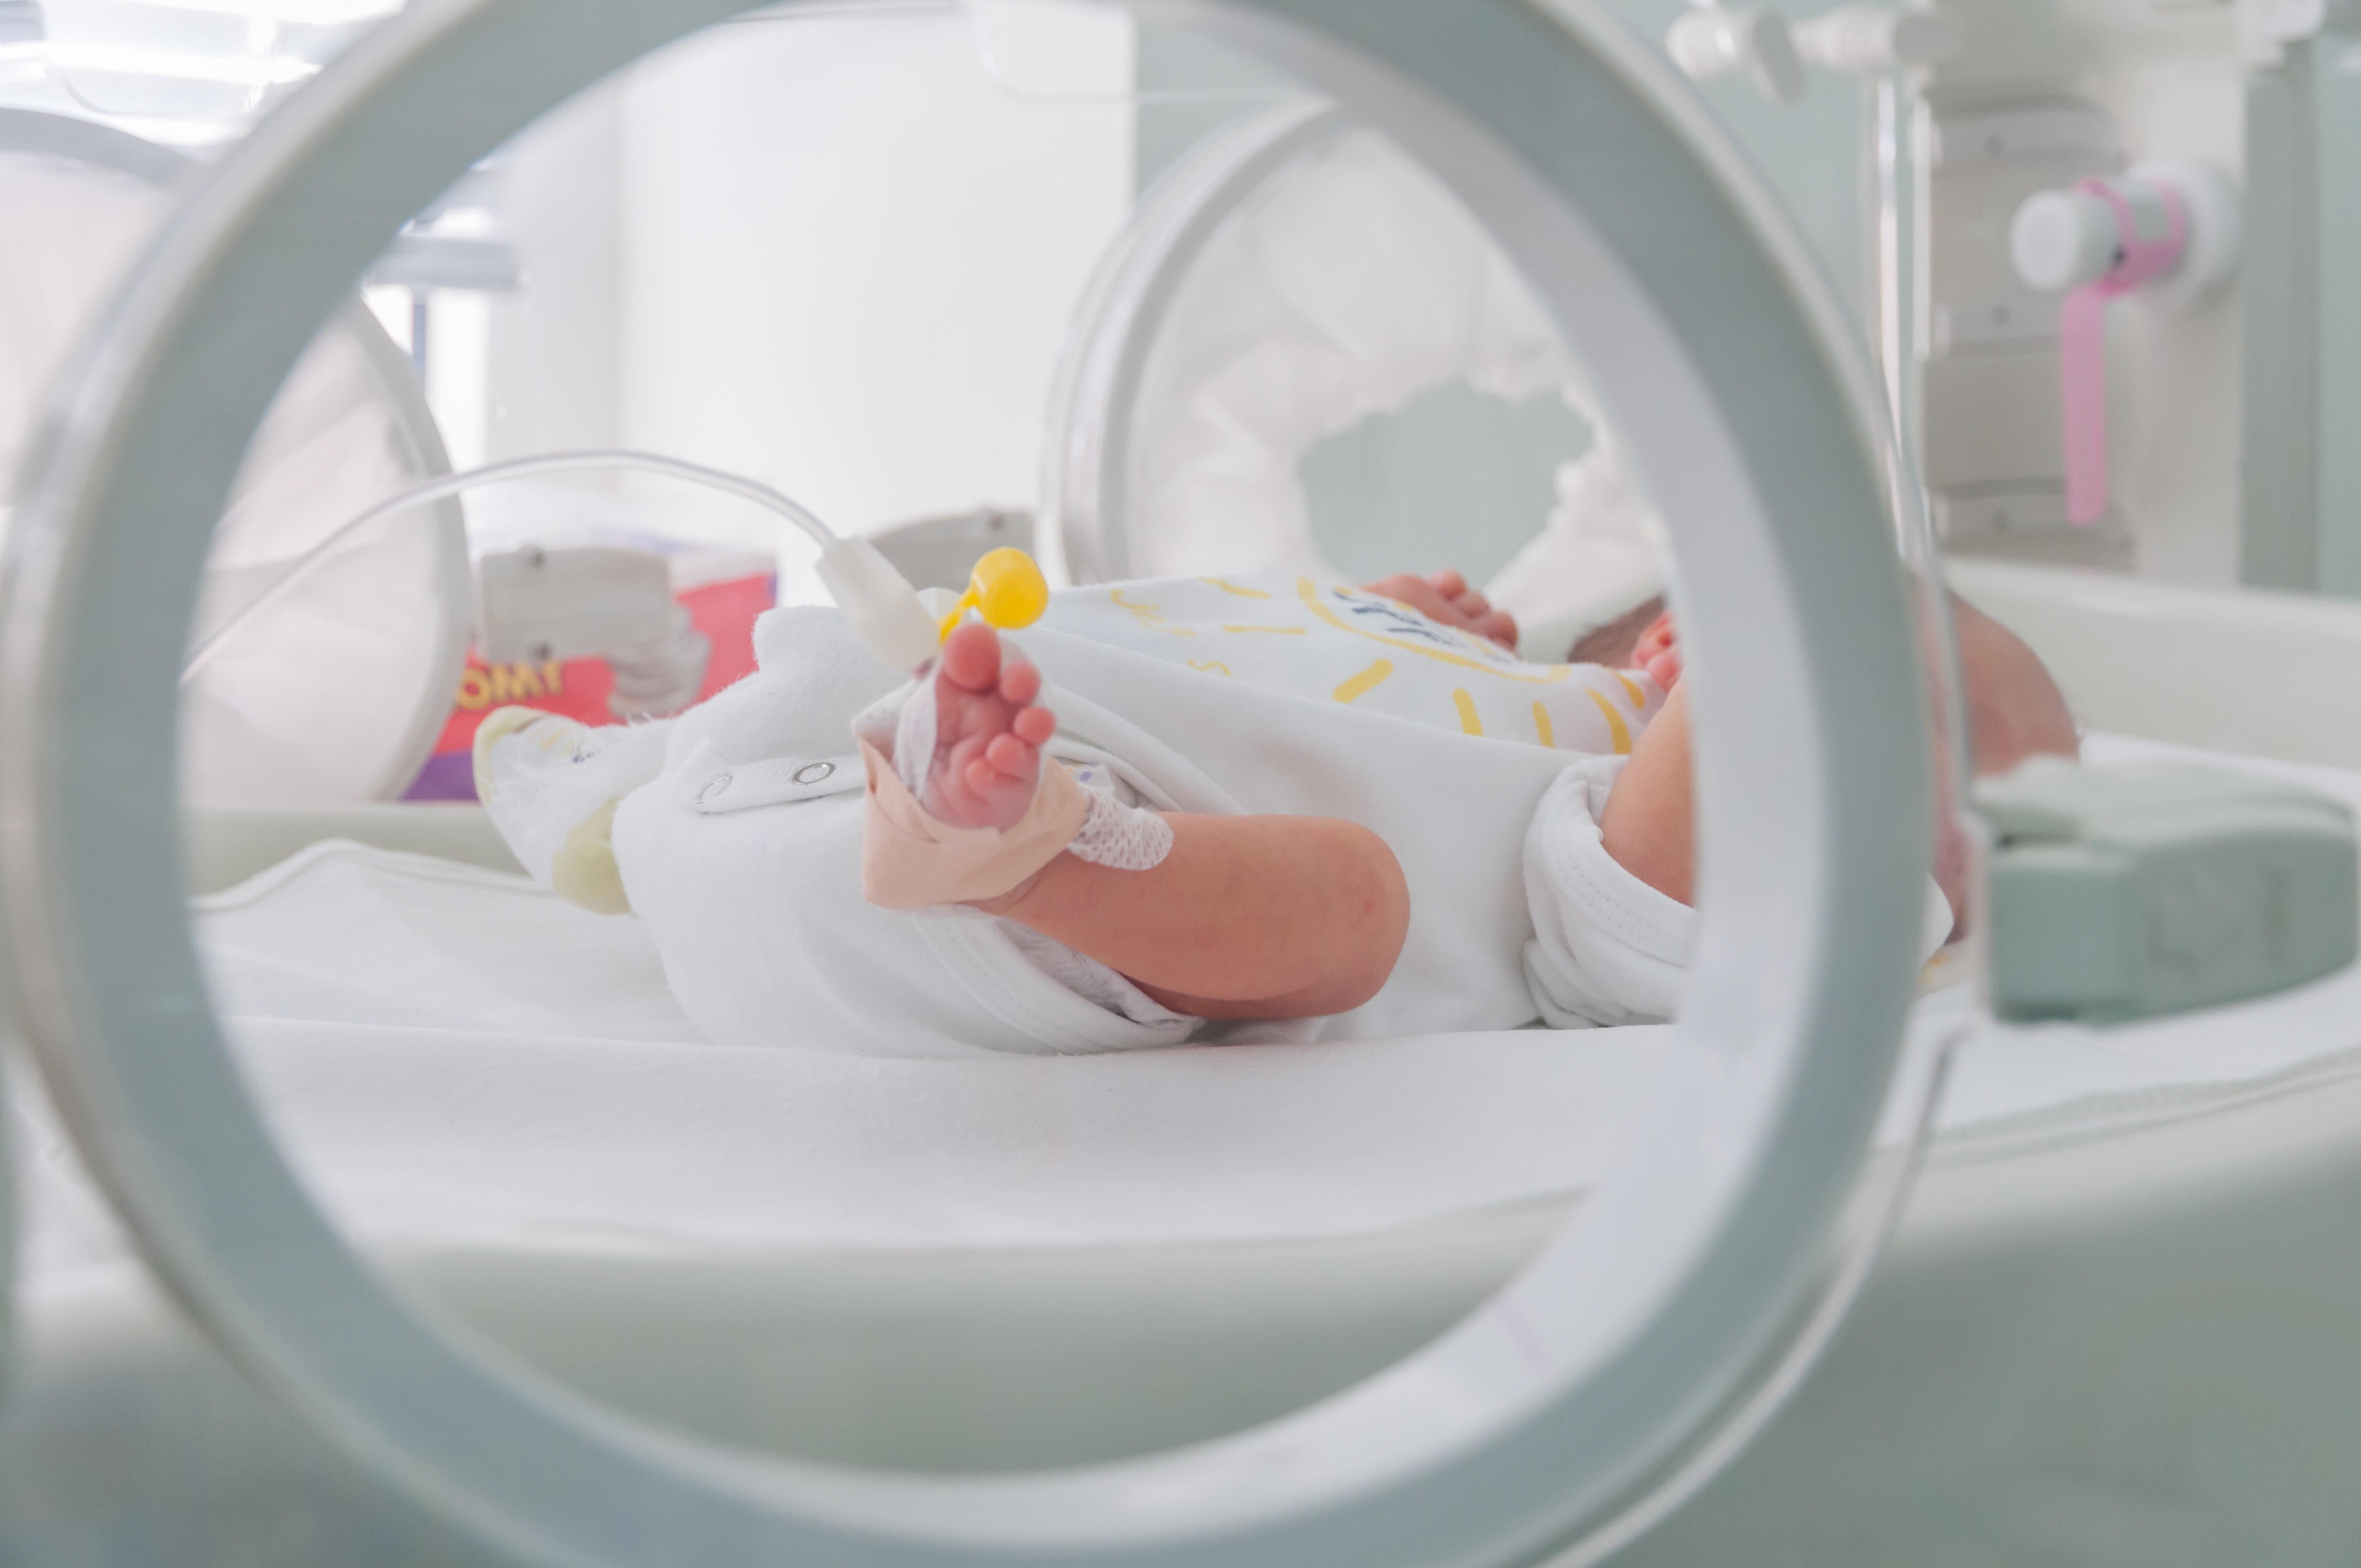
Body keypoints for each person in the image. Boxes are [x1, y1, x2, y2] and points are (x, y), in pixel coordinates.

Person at [474, 567, 2073, 1058]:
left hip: (1057, 896)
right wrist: (1370, 611)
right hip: (858, 753)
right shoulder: (1537, 690)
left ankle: (1008, 852)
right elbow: (1231, 640)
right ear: (1663, 651)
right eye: (1952, 735)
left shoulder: (1659, 808)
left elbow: (1635, 935)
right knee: (794, 728)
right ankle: (625, 798)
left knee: (1353, 901)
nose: (1975, 830)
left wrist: (1782, 623)